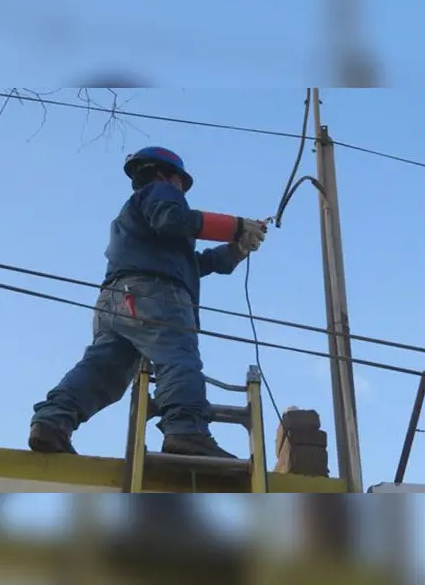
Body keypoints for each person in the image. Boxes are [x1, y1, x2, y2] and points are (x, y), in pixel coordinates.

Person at [28, 146, 267, 459]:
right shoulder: (159, 193)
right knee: (178, 356)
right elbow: (173, 219)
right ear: (164, 175)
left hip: (117, 301)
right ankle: (186, 430)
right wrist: (235, 226)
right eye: (179, 182)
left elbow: (192, 265)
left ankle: (52, 422)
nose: (180, 189)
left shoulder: (137, 222)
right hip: (152, 296)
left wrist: (237, 248)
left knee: (104, 371)